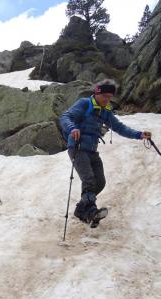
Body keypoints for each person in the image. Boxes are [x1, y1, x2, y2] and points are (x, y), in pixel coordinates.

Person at [59, 79, 152, 224]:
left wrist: (139, 135)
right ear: (97, 93)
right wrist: (72, 128)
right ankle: (91, 212)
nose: (107, 100)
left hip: (91, 150)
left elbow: (120, 128)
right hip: (77, 148)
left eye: (110, 97)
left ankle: (81, 210)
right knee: (89, 179)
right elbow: (65, 117)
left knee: (100, 182)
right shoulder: (85, 103)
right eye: (105, 96)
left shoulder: (105, 111)